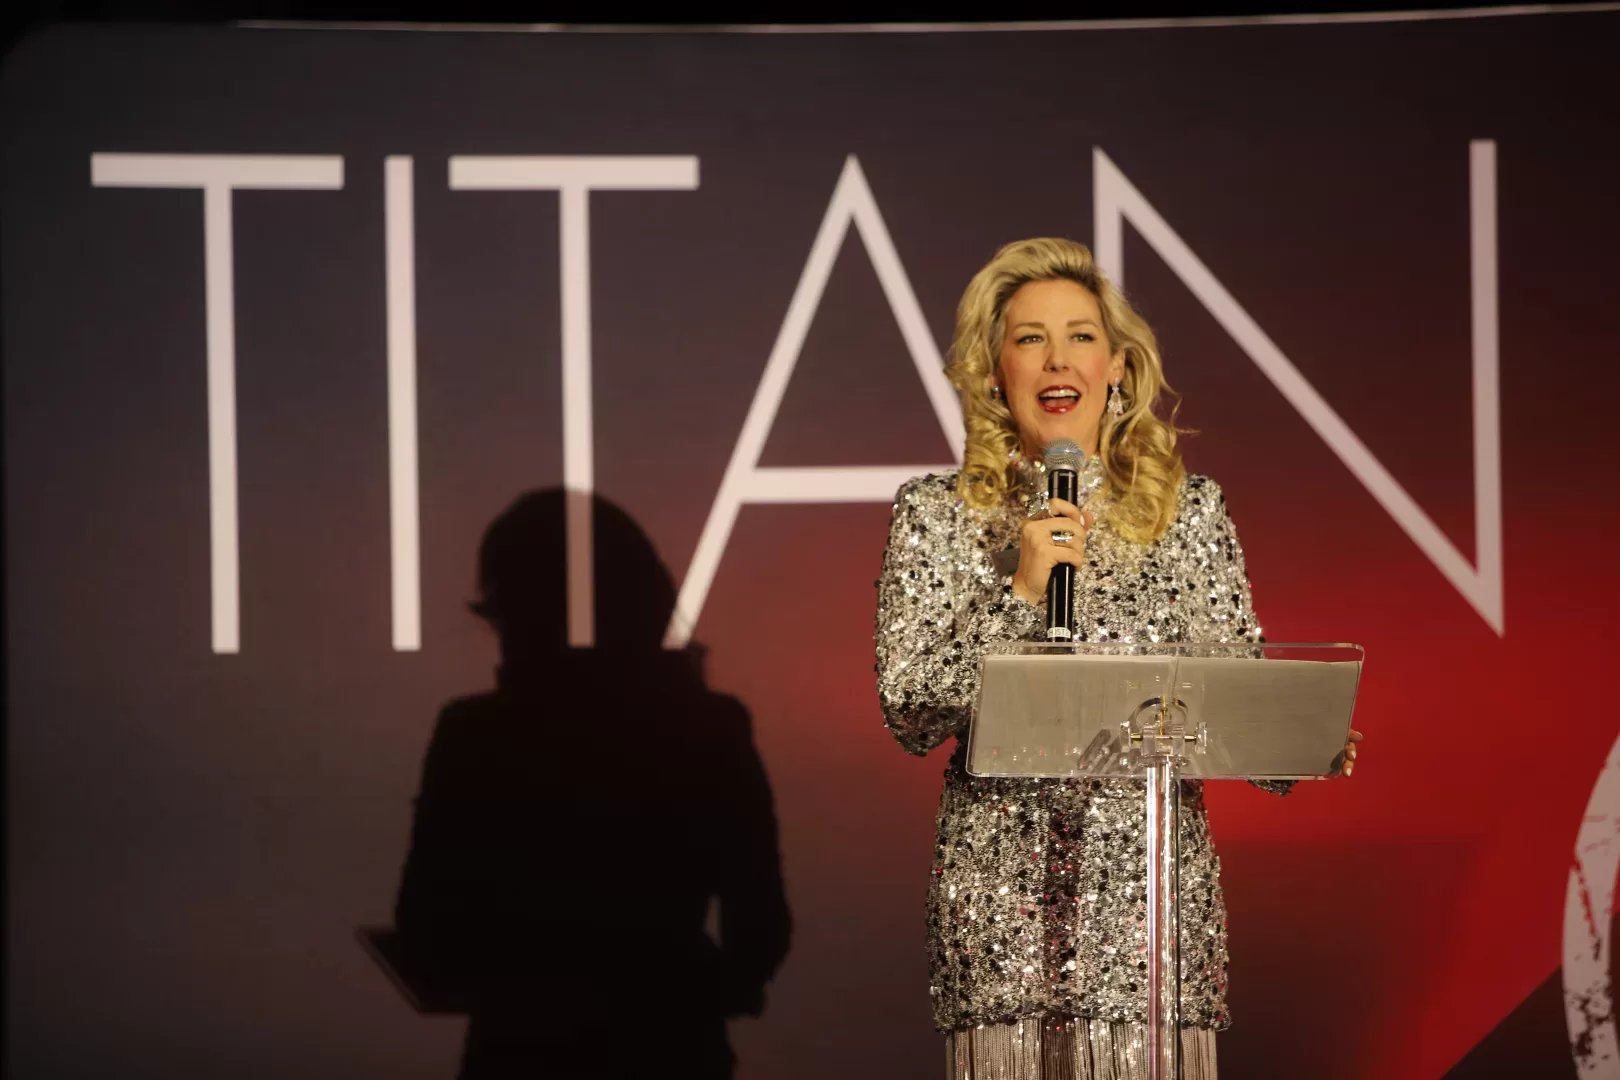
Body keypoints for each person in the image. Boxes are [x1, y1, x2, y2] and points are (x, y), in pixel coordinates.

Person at [874, 238, 1361, 1080]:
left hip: (1152, 919)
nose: (1057, 360)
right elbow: (910, 705)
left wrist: (1300, 740)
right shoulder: (938, 514)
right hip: (1002, 918)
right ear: (994, 371)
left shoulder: (1187, 512)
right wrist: (1020, 592)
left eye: (1081, 337)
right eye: (1030, 339)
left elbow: (1234, 691)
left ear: (1119, 368)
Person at [394, 490, 792, 1080]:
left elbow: (425, 926)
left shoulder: (473, 733)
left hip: (518, 1057)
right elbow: (760, 925)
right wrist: (700, 981)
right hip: (672, 1053)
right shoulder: (710, 726)